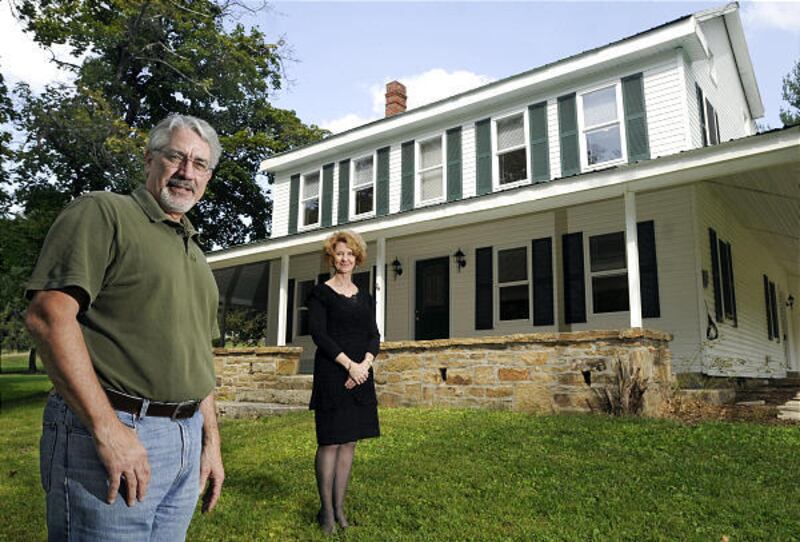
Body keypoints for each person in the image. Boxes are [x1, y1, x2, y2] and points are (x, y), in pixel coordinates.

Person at [25, 114, 225, 541]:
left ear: (208, 176)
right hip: (117, 427)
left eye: (200, 164)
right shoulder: (105, 212)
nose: (187, 172)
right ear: (151, 159)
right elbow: (48, 316)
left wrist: (210, 443)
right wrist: (108, 430)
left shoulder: (194, 251)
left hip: (185, 441)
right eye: (176, 157)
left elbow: (198, 356)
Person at [308, 230, 381, 534]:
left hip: (360, 374)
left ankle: (340, 507)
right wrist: (349, 366)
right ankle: (325, 511)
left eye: (350, 254)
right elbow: (319, 335)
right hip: (333, 373)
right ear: (331, 257)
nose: (345, 258)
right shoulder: (320, 293)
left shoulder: (365, 298)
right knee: (330, 442)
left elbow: (373, 336)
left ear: (357, 258)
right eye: (340, 253)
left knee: (349, 442)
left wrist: (364, 365)